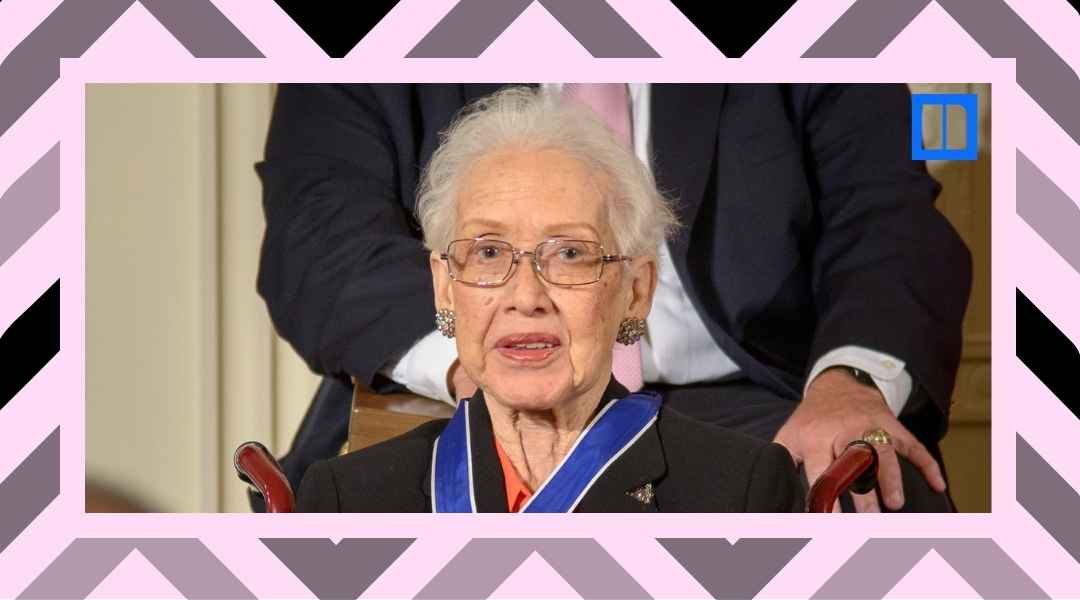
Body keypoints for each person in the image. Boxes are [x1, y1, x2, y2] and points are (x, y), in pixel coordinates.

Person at [256, 83, 971, 513]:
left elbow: (885, 214)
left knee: (880, 493)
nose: (531, 290)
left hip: (756, 401)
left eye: (567, 254)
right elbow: (317, 228)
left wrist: (848, 384)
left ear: (639, 283)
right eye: (490, 254)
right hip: (439, 393)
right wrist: (492, 354)